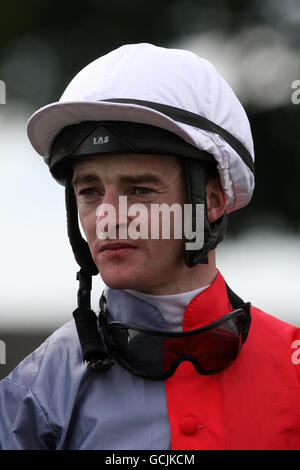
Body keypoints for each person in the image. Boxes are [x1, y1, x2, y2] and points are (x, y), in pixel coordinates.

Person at [0, 43, 299, 450]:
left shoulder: (292, 368)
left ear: (212, 201)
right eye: (89, 191)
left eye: (139, 189)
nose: (109, 215)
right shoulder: (34, 393)